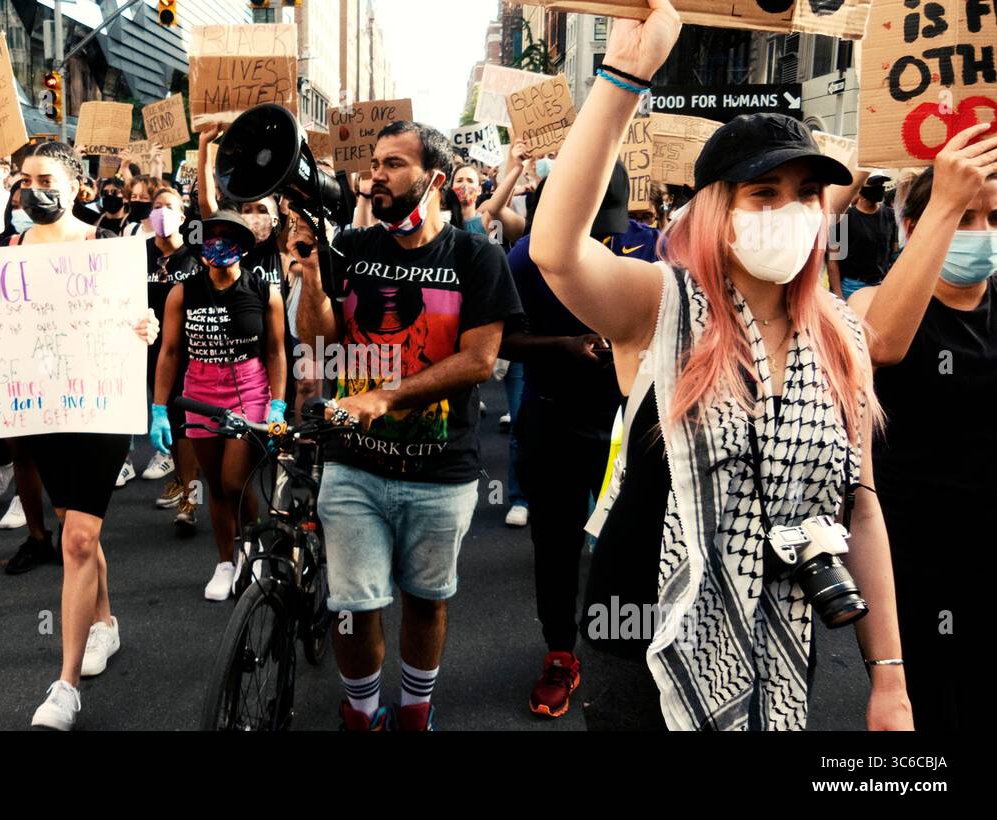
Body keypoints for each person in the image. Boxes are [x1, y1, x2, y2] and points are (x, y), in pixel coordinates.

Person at [529, 0, 911, 731]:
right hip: (637, 628)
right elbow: (556, 251)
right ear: (714, 211)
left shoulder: (843, 337)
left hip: (774, 634)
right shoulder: (661, 307)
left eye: (805, 194)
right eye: (763, 193)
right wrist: (624, 74)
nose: (789, 211)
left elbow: (860, 507)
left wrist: (887, 677)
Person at [291, 120, 523, 731]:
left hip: (441, 470)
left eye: (394, 163)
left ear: (436, 180)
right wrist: (313, 279)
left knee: (427, 599)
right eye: (374, 163)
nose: (376, 175)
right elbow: (317, 344)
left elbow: (477, 361)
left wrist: (384, 398)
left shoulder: (479, 257)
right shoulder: (352, 250)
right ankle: (362, 713)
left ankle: (416, 711)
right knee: (353, 606)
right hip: (353, 466)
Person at [0, 141, 157, 729]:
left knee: (76, 538)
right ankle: (104, 623)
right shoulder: (10, 248)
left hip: (97, 413)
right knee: (81, 525)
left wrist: (143, 326)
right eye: (24, 179)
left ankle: (65, 686)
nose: (32, 188)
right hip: (44, 414)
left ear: (75, 187)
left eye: (44, 178)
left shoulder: (108, 250)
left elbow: (138, 319)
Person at [846, 126, 997, 731]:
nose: (980, 236)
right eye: (963, 218)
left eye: (991, 217)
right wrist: (945, 202)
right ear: (915, 226)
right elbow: (878, 344)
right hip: (910, 560)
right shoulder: (870, 307)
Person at [502, 161, 629, 718]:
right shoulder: (524, 257)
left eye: (609, 225)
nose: (603, 236)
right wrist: (565, 347)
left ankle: (632, 647)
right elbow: (498, 342)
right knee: (555, 544)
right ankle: (560, 652)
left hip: (631, 426)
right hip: (551, 418)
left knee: (632, 543)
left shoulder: (648, 248)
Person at [152, 209, 286, 600]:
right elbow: (171, 350)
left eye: (228, 237)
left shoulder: (265, 291)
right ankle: (225, 561)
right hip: (199, 392)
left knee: (234, 481)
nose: (218, 245)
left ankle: (252, 547)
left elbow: (276, 353)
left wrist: (278, 404)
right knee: (214, 485)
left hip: (248, 390)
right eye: (211, 237)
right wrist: (160, 408)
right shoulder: (184, 290)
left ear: (245, 247)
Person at [137, 187, 203, 531]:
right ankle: (181, 477)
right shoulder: (137, 254)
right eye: (157, 207)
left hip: (190, 350)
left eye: (170, 207)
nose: (162, 212)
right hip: (153, 352)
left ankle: (193, 499)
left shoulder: (195, 256)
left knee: (188, 424)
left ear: (182, 217)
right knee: (172, 422)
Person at [832, 171, 897, 300]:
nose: (879, 187)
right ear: (860, 187)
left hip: (880, 284)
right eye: (874, 184)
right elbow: (833, 259)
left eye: (881, 184)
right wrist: (838, 294)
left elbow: (893, 252)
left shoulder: (890, 215)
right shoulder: (844, 218)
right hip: (852, 285)